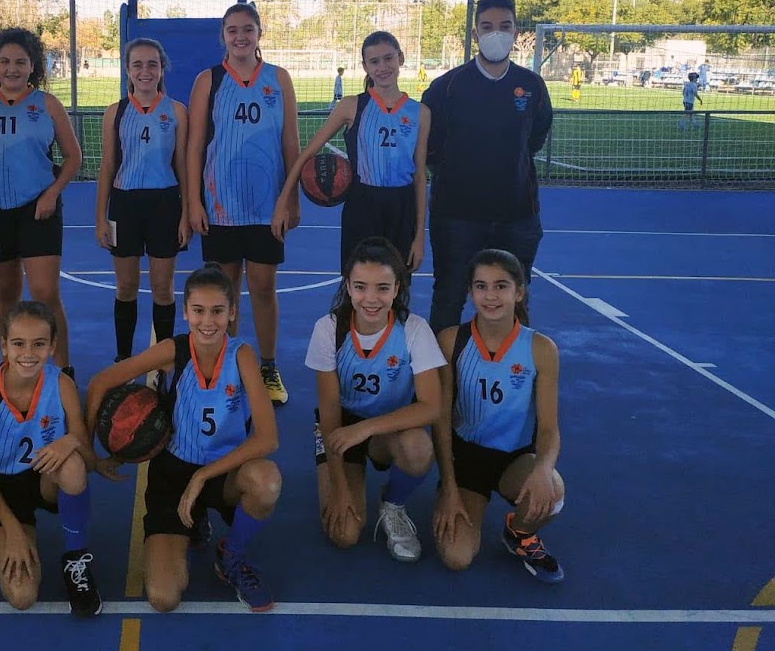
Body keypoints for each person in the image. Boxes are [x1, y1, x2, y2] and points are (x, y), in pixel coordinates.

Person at [85, 264, 281, 612]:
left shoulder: (242, 356)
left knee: (266, 481)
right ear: (186, 311)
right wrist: (93, 454)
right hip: (172, 474)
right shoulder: (171, 352)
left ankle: (230, 558)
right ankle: (194, 522)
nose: (208, 321)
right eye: (199, 311)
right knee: (164, 597)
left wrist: (203, 476)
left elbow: (268, 439)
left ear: (232, 312)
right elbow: (101, 383)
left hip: (225, 472)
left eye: (218, 311)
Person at [187, 2, 300, 405]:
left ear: (259, 33)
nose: (240, 36)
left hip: (267, 207)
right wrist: (192, 202)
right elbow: (195, 145)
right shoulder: (209, 81)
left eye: (248, 29)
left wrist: (292, 199)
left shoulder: (279, 79)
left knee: (264, 287)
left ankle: (268, 366)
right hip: (219, 206)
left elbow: (291, 143)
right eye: (232, 29)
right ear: (223, 36)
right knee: (223, 292)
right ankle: (225, 363)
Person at [421, 0, 552, 334]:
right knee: (449, 296)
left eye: (504, 26)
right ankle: (441, 383)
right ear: (476, 32)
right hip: (456, 217)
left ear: (515, 31)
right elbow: (429, 149)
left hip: (517, 217)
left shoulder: (532, 86)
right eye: (488, 26)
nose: (497, 33)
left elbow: (534, 138)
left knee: (514, 300)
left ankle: (511, 379)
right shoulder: (445, 88)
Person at [432, 249, 565, 583]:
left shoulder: (541, 349)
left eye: (501, 286)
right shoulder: (451, 341)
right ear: (470, 291)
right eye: (481, 286)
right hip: (465, 458)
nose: (490, 295)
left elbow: (549, 429)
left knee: (553, 490)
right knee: (456, 557)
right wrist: (448, 487)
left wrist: (543, 468)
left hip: (513, 458)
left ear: (519, 291)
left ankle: (519, 534)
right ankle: (461, 498)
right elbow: (440, 421)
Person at [308, 238, 444, 562]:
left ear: (397, 288)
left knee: (419, 449)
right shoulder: (328, 330)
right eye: (360, 287)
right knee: (344, 535)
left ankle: (393, 502)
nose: (371, 298)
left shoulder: (414, 330)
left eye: (382, 287)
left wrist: (366, 429)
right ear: (348, 287)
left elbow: (431, 406)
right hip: (342, 428)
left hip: (387, 427)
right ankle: (346, 480)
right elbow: (328, 414)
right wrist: (340, 489)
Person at [0, 301, 102, 616]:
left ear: (52, 346)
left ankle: (75, 558)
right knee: (22, 596)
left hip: (46, 481)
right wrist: (11, 528)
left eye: (39, 344)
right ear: (4, 346)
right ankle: (20, 530)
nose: (29, 353)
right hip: (4, 491)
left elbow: (89, 462)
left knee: (71, 462)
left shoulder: (62, 385)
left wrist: (69, 441)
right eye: (18, 343)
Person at [0, 27, 82, 375]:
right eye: (5, 61)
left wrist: (51, 193)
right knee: (6, 292)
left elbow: (74, 157)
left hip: (38, 208)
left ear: (33, 65)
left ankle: (62, 369)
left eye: (20, 61)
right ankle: (11, 365)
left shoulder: (47, 104)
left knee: (45, 292)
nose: (12, 68)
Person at [271, 30, 430, 273]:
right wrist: (283, 201)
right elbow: (307, 154)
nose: (383, 67)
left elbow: (419, 175)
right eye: (374, 61)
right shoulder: (352, 105)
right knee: (356, 282)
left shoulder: (420, 112)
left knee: (398, 287)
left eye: (388, 58)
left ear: (401, 58)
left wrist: (419, 236)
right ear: (365, 66)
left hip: (402, 207)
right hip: (362, 205)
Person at [95, 38, 190, 362]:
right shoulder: (115, 113)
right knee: (126, 288)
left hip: (165, 204)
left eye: (152, 64)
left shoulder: (176, 111)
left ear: (162, 68)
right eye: (138, 64)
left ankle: (163, 360)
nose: (145, 71)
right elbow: (107, 166)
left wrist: (186, 213)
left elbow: (183, 166)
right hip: (125, 205)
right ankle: (123, 360)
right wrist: (100, 218)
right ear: (127, 70)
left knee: (163, 289)